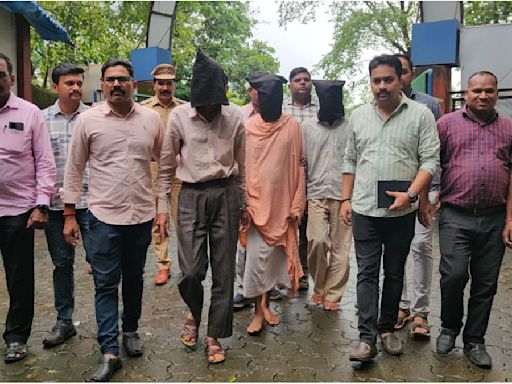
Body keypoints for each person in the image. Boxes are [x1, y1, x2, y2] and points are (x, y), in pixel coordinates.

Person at [63, 59, 164, 382]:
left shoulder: (150, 119)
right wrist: (68, 214)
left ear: (134, 84)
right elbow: (74, 168)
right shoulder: (88, 121)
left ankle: (130, 329)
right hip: (102, 217)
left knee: (134, 279)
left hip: (141, 216)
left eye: (123, 79)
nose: (116, 84)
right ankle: (109, 350)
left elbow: (165, 166)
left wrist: (163, 209)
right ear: (103, 85)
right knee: (105, 284)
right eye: (110, 80)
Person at [341, 54, 439, 362]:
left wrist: (411, 195)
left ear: (401, 80)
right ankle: (366, 338)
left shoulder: (421, 114)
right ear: (370, 82)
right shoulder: (358, 116)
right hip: (365, 210)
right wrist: (345, 199)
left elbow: (429, 161)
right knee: (366, 273)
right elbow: (350, 160)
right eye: (376, 80)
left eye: (388, 79)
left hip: (402, 210)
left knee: (395, 272)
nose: (381, 86)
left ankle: (387, 329)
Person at [156, 51, 246, 364]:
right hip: (191, 195)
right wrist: (162, 208)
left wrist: (243, 203)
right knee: (191, 271)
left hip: (226, 195)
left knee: (224, 271)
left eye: (214, 101)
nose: (209, 108)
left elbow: (242, 163)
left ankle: (214, 335)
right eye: (204, 101)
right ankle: (194, 313)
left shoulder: (235, 117)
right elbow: (166, 165)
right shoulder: (180, 117)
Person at [429, 71, 512, 369]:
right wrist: (429, 196)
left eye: (489, 91)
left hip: (493, 217)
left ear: (497, 94)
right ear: (466, 93)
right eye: (477, 90)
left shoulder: (508, 128)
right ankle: (449, 327)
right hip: (455, 215)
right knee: (453, 276)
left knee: (486, 284)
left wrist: (510, 219)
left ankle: (475, 340)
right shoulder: (446, 125)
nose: (483, 95)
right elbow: (430, 161)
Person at [0, 52, 56, 362]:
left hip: (18, 210)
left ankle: (16, 337)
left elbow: (45, 162)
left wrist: (41, 204)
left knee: (19, 277)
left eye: (0, 74)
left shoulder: (30, 113)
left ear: (10, 78)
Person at [243, 71, 305, 335]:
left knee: (272, 262)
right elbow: (242, 167)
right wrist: (243, 202)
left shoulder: (292, 126)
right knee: (256, 262)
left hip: (282, 205)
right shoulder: (247, 128)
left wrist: (297, 203)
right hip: (255, 206)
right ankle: (257, 311)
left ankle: (266, 305)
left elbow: (300, 166)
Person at [393, 54, 442, 339]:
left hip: (426, 189)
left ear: (411, 74)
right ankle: (400, 306)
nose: (399, 77)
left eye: (404, 71)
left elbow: (432, 152)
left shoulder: (429, 105)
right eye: (394, 72)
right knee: (396, 248)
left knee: (421, 247)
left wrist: (427, 196)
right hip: (393, 190)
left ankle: (420, 311)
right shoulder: (380, 105)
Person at [42, 63, 91, 348]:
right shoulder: (41, 118)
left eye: (78, 83)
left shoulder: (96, 116)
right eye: (68, 83)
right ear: (55, 87)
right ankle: (64, 321)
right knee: (62, 265)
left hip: (93, 204)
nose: (75, 88)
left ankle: (111, 323)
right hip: (56, 207)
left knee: (102, 264)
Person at [302, 80, 351, 311]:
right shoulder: (307, 127)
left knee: (341, 249)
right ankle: (319, 286)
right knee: (317, 242)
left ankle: (333, 294)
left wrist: (350, 197)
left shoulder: (350, 126)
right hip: (316, 193)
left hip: (344, 196)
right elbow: (301, 162)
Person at [140, 63, 185, 286]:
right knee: (159, 220)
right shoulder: (144, 109)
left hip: (180, 170)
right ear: (153, 85)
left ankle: (186, 264)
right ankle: (162, 265)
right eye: (161, 83)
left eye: (169, 83)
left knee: (183, 218)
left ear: (174, 84)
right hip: (153, 169)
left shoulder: (186, 109)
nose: (165, 87)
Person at [283, 67, 319, 291]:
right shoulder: (280, 108)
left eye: (306, 79)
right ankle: (285, 270)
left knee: (306, 227)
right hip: (285, 174)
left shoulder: (321, 108)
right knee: (285, 224)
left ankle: (303, 271)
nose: (303, 83)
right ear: (290, 85)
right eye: (298, 80)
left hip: (313, 174)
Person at [234, 78, 260, 310]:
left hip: (269, 188)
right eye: (255, 88)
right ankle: (241, 288)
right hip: (244, 184)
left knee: (269, 241)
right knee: (242, 241)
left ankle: (266, 288)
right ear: (249, 91)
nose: (260, 93)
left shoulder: (281, 117)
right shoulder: (239, 115)